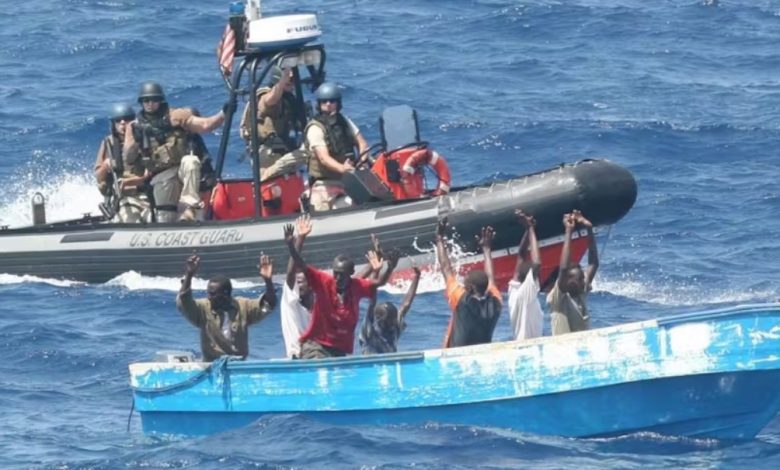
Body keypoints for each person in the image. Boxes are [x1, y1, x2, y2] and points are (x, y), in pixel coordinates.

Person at [284, 222, 399, 359]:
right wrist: (291, 245)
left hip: (337, 350)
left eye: (342, 275)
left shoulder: (355, 286)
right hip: (315, 347)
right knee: (321, 367)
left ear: (350, 273)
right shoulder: (324, 282)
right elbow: (301, 264)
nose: (337, 278)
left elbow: (378, 282)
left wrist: (390, 268)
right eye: (335, 273)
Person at [124, 81, 227, 222]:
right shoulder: (136, 126)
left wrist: (223, 114)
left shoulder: (176, 116)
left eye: (154, 100)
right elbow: (128, 157)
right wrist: (136, 138)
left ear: (160, 100)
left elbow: (205, 125)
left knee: (191, 162)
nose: (150, 104)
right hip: (161, 175)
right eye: (145, 100)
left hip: (182, 169)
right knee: (165, 218)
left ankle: (190, 205)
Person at [176, 253, 277, 361]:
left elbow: (268, 304)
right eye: (208, 293)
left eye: (213, 294)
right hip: (211, 366)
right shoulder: (203, 308)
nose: (209, 297)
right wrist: (189, 275)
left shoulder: (243, 306)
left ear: (225, 294)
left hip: (237, 366)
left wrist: (268, 281)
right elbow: (184, 302)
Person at [437, 219, 503, 348]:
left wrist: (439, 239)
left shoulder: (461, 300)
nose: (463, 284)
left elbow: (445, 268)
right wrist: (487, 249)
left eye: (465, 283)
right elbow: (490, 279)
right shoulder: (496, 303)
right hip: (481, 356)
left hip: (456, 357)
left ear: (471, 288)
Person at [304, 81, 369, 211]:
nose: (328, 104)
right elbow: (323, 158)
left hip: (347, 181)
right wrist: (342, 168)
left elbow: (362, 143)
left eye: (332, 101)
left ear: (338, 103)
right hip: (324, 184)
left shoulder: (344, 121)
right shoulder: (315, 128)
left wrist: (361, 161)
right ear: (319, 104)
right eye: (324, 101)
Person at [239, 66, 308, 181]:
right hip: (267, 153)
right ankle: (264, 176)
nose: (291, 82)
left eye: (293, 79)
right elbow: (270, 100)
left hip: (284, 151)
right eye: (288, 79)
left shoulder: (290, 99)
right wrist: (282, 81)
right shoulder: (266, 95)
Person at [94, 103, 152, 223]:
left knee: (154, 219)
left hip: (147, 194)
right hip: (125, 198)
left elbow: (152, 171)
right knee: (130, 220)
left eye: (127, 120)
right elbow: (99, 177)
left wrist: (133, 181)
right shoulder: (108, 143)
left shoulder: (143, 140)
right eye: (118, 120)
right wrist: (106, 166)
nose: (122, 123)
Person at [547, 210, 599, 335]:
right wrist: (568, 231)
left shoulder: (580, 291)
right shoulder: (558, 298)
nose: (584, 282)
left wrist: (589, 228)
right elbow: (564, 268)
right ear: (568, 281)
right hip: (564, 350)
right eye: (580, 279)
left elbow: (593, 263)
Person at [359, 254, 421, 355]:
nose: (394, 322)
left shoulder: (394, 325)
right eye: (391, 320)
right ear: (379, 319)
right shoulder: (370, 330)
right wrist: (376, 271)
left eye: (393, 318)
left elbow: (406, 304)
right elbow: (372, 299)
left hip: (390, 365)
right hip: (371, 366)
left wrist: (417, 277)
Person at [280, 214, 314, 359]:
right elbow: (290, 273)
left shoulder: (315, 308)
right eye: (296, 283)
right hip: (296, 358)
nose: (298, 285)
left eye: (301, 282)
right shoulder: (290, 303)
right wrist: (300, 239)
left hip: (314, 357)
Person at [507, 209, 544, 340]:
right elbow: (537, 263)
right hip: (529, 346)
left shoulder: (513, 290)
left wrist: (528, 230)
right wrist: (531, 228)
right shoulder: (525, 294)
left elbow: (521, 254)